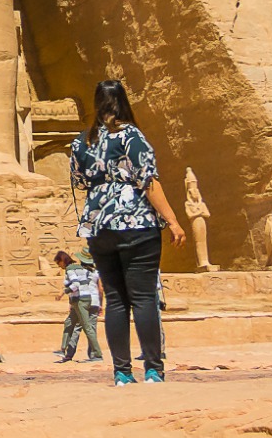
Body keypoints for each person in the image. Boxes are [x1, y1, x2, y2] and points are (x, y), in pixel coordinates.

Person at [68, 80, 185, 383]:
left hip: (99, 226)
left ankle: (121, 372)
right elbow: (148, 181)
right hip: (136, 222)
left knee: (117, 300)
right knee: (144, 297)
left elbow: (79, 181)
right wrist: (172, 220)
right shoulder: (130, 136)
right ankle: (153, 370)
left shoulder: (82, 141)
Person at [52, 249, 103, 364]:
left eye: (58, 263)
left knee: (85, 327)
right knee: (70, 323)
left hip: (81, 300)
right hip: (88, 300)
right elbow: (98, 288)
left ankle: (97, 354)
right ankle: (63, 350)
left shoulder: (72, 270)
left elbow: (76, 285)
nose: (59, 266)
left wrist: (62, 292)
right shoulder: (85, 270)